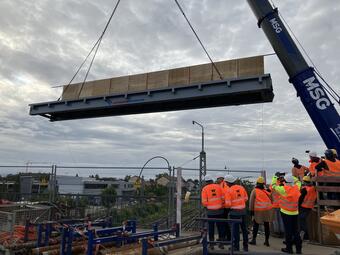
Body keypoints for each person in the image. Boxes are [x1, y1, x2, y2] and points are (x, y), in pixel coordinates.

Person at [271, 174, 302, 254]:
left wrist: (275, 177)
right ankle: (299, 249)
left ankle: (289, 249)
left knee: (288, 231)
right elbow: (298, 181)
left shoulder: (283, 189)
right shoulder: (297, 188)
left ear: (285, 181)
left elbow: (273, 186)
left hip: (285, 212)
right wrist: (291, 177)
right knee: (296, 231)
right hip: (295, 212)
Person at [224, 174, 249, 252]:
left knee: (235, 230)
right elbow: (246, 198)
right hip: (243, 211)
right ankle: (245, 247)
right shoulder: (241, 188)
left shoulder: (228, 190)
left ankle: (236, 247)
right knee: (244, 230)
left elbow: (228, 204)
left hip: (234, 213)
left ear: (227, 182)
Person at [201, 174, 224, 250]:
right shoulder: (219, 187)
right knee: (220, 227)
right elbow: (223, 198)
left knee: (211, 228)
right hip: (220, 211)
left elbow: (204, 202)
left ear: (206, 181)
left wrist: (207, 206)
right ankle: (221, 244)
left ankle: (211, 244)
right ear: (212, 180)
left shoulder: (205, 189)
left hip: (210, 211)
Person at [249, 176, 272, 246]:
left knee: (256, 225)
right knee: (266, 225)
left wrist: (251, 212)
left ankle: (254, 240)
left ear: (257, 183)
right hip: (267, 210)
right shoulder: (266, 191)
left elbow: (251, 202)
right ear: (263, 184)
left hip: (258, 210)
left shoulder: (254, 191)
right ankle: (267, 241)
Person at [298, 176, 316, 241]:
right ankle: (305, 236)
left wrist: (298, 206)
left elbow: (300, 199)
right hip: (309, 207)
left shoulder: (305, 189)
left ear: (304, 182)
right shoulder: (313, 188)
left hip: (303, 207)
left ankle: (305, 236)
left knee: (301, 221)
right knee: (303, 221)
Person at [216, 173, 231, 242]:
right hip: (225, 206)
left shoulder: (223, 186)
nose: (217, 180)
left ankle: (225, 237)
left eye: (218, 179)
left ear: (221, 179)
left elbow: (223, 196)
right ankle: (225, 237)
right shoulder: (223, 185)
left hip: (224, 207)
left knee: (223, 223)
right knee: (224, 222)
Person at [270, 172, 285, 237]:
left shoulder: (273, 186)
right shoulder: (283, 184)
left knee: (276, 219)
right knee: (281, 219)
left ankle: (277, 232)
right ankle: (282, 231)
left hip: (275, 204)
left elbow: (269, 193)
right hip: (282, 205)